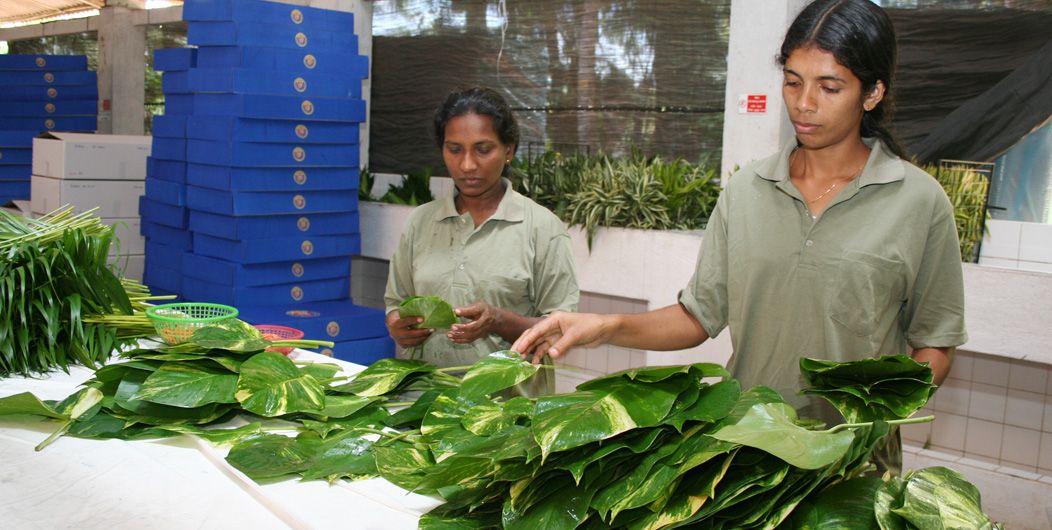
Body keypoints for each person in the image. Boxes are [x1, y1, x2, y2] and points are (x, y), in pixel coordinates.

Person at [513, 0, 966, 471]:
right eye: (792, 81)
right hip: (747, 457)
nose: (804, 103)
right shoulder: (747, 190)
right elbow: (698, 316)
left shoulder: (919, 202)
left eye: (829, 87)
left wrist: (878, 414)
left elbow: (934, 344)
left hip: (853, 467)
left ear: (871, 94)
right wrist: (604, 326)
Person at [384, 86, 579, 397]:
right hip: (422, 404)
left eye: (483, 149)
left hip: (505, 416)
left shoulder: (542, 228)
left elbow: (561, 327)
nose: (467, 165)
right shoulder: (421, 222)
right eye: (455, 149)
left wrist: (499, 320)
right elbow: (396, 302)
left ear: (509, 150)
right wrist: (397, 323)